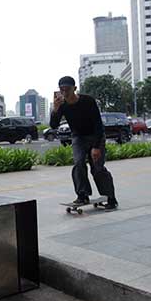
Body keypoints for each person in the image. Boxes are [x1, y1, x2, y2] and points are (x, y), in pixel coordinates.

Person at [50, 76, 118, 210]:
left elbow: (98, 124)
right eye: (62, 90)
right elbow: (53, 125)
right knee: (78, 163)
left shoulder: (88, 101)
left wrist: (96, 147)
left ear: (74, 89)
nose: (65, 93)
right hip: (78, 137)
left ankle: (110, 197)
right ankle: (82, 194)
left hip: (95, 135)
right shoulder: (62, 105)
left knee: (97, 168)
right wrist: (55, 109)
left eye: (67, 89)